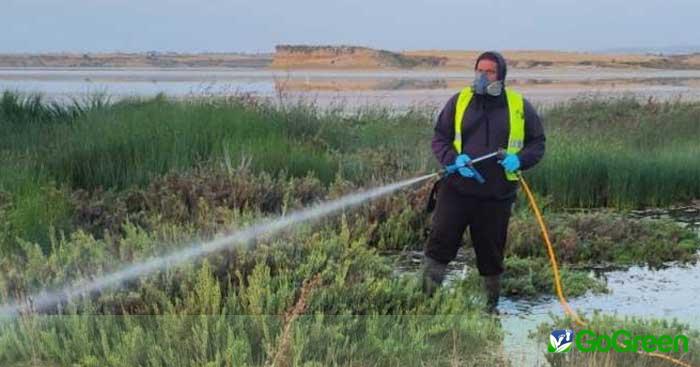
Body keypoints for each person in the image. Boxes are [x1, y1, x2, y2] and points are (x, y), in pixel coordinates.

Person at [422, 51, 546, 314]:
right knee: (439, 245)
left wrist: (519, 159)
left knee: (491, 255)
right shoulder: (460, 100)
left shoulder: (518, 105)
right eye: (479, 70)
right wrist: (453, 159)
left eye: (489, 71)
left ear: (500, 76)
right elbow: (439, 137)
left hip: (496, 197)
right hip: (456, 191)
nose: (482, 75)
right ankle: (425, 304)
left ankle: (491, 309)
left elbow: (538, 143)